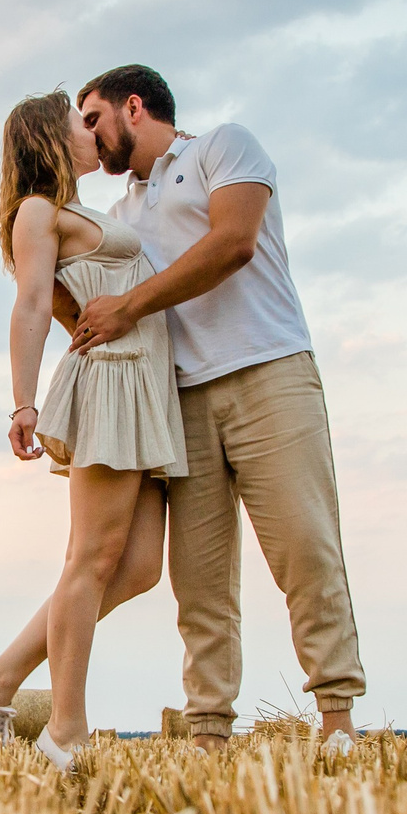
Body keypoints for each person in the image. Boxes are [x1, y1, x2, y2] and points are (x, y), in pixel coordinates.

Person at [67, 65, 365, 752]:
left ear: (132, 106)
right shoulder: (117, 217)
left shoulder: (223, 148)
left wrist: (131, 305)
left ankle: (337, 717)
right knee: (198, 578)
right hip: (181, 399)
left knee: (305, 547)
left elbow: (234, 242)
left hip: (269, 371)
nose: (89, 136)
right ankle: (207, 731)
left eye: (92, 118)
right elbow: (83, 302)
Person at [0, 91, 188, 770]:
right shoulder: (37, 212)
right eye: (79, 125)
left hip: (140, 389)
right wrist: (22, 403)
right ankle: (66, 728)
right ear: (50, 140)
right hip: (113, 387)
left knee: (140, 567)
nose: (93, 133)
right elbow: (31, 303)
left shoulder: (80, 211)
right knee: (88, 561)